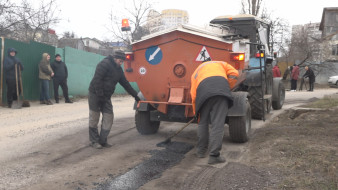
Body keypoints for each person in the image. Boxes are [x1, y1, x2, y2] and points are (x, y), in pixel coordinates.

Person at [88, 50, 140, 149]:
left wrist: (136, 97)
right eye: (120, 61)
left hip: (106, 96)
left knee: (109, 117)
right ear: (115, 58)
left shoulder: (119, 70)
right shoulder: (104, 64)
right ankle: (94, 141)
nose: (121, 63)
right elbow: (97, 80)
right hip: (95, 94)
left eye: (122, 62)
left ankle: (103, 141)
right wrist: (100, 95)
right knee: (94, 117)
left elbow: (126, 84)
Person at [190, 61, 238, 165]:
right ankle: (214, 156)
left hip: (202, 94)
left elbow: (193, 95)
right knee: (217, 124)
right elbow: (235, 74)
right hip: (220, 92)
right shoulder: (221, 64)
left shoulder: (196, 71)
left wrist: (196, 113)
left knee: (202, 123)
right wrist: (226, 87)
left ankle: (201, 151)